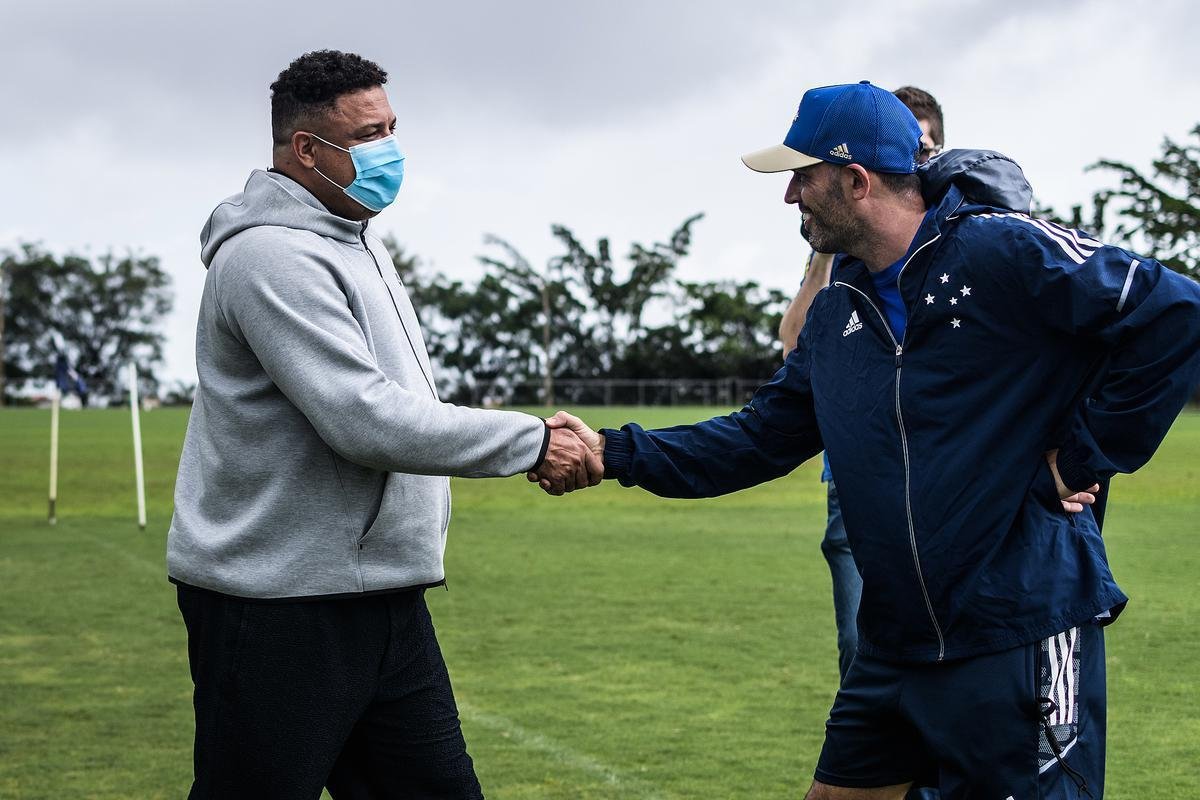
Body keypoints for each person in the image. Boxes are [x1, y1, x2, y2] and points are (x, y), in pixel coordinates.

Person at [532, 81, 1200, 798]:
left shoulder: (999, 248)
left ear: (856, 182)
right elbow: (760, 437)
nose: (790, 196)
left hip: (1019, 631)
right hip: (896, 641)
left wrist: (1082, 455)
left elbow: (1175, 315)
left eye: (802, 176)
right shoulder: (836, 310)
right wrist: (616, 452)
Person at [167, 49, 601, 799]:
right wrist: (533, 439)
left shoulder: (357, 240)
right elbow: (364, 417)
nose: (389, 150)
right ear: (307, 149)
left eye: (392, 127)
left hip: (382, 597)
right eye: (369, 135)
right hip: (278, 607)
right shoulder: (272, 257)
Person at [777, 86, 945, 686]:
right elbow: (796, 351)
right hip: (856, 484)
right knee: (864, 653)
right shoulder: (841, 261)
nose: (790, 193)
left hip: (951, 501)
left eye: (925, 147)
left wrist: (1080, 452)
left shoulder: (985, 251)